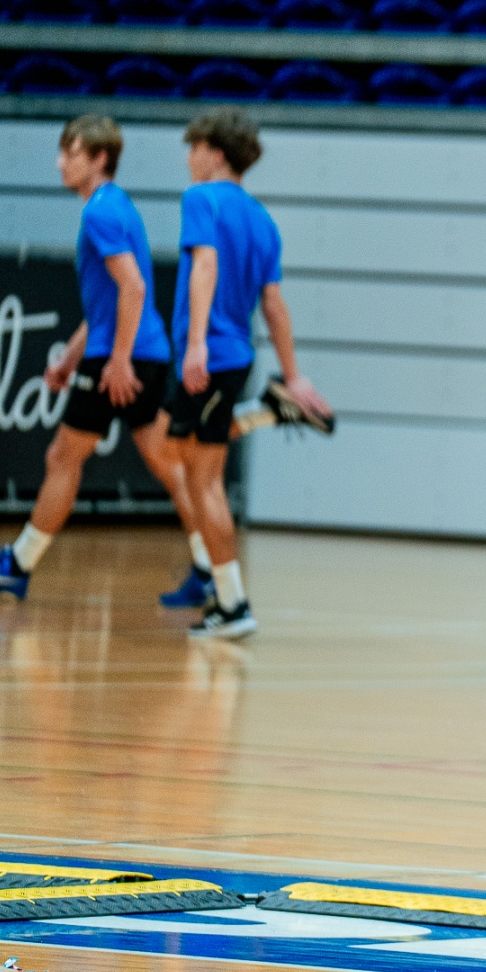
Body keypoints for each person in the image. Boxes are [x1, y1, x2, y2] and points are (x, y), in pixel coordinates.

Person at [0, 116, 195, 600]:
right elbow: (110, 303)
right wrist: (68, 357)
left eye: (71, 153)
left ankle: (18, 565)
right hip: (142, 352)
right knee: (167, 462)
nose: (60, 163)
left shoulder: (100, 213)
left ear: (99, 158)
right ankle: (211, 568)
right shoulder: (116, 205)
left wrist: (118, 360)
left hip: (122, 358)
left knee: (62, 457)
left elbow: (134, 288)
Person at [161, 108, 331, 640]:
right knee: (181, 452)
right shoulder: (261, 219)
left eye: (194, 148)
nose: (188, 159)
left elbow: (205, 265)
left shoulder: (201, 199)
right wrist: (293, 374)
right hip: (235, 355)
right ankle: (266, 411)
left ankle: (233, 606)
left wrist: (195, 345)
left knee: (203, 479)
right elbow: (273, 304)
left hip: (210, 355)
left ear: (214, 153)